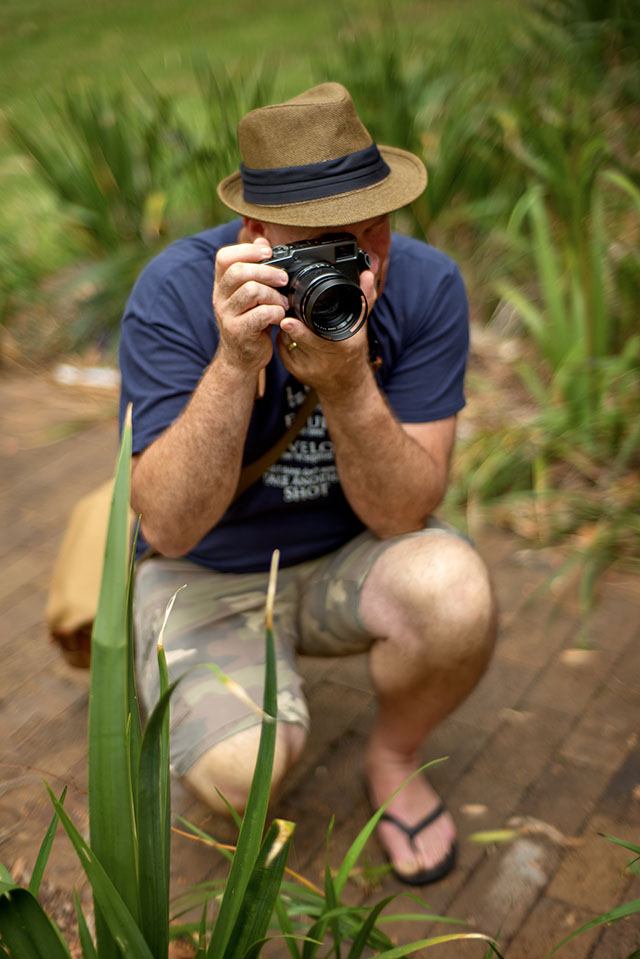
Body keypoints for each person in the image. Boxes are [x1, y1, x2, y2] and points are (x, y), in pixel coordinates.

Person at [119, 82, 497, 886]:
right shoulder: (176, 290)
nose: (361, 267)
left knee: (454, 589)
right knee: (238, 775)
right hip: (207, 569)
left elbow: (404, 513)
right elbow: (169, 527)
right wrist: (234, 361)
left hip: (345, 559)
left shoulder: (427, 287)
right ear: (256, 237)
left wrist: (351, 382)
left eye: (374, 232)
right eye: (327, 246)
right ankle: (200, 675)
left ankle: (392, 754)